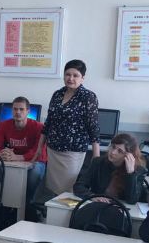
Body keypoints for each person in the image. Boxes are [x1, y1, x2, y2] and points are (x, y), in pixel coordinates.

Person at [32, 59, 100, 200]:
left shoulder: (88, 97)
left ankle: (65, 214)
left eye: (75, 75)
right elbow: (48, 122)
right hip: (53, 150)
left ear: (82, 78)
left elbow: (93, 127)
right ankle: (51, 212)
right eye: (68, 74)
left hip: (72, 151)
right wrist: (39, 147)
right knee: (52, 189)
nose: (71, 78)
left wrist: (96, 155)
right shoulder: (57, 94)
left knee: (67, 190)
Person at [0, 96, 47, 202]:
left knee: (34, 173)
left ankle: (27, 203)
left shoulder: (39, 127)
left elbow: (38, 152)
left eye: (21, 109)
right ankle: (3, 203)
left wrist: (18, 157)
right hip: (11, 160)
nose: (18, 112)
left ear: (28, 111)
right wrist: (1, 154)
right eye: (15, 109)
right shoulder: (3, 125)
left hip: (35, 161)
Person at [73, 133, 147, 203]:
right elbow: (78, 186)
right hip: (98, 205)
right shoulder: (98, 162)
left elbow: (132, 200)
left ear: (129, 156)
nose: (113, 152)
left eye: (120, 151)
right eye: (113, 147)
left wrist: (130, 173)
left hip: (121, 208)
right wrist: (92, 196)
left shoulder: (139, 170)